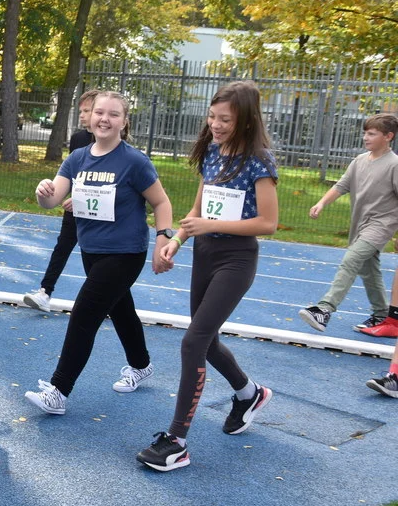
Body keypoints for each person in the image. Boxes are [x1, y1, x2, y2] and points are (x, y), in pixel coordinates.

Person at [136, 81, 278, 472]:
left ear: (246, 120)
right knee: (207, 340)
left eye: (225, 120)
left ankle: (177, 441)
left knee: (192, 342)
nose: (215, 125)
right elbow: (199, 207)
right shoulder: (213, 152)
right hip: (204, 254)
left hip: (236, 260)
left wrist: (211, 223)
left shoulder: (259, 161)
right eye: (212, 116)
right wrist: (177, 241)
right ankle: (249, 394)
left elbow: (269, 223)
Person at [24, 91, 173, 415]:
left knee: (85, 313)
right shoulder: (77, 158)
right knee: (121, 311)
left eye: (113, 114)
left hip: (125, 253)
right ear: (90, 118)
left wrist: (163, 237)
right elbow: (53, 200)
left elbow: (161, 202)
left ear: (124, 121)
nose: (104, 119)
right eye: (99, 113)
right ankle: (141, 364)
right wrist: (43, 194)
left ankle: (59, 391)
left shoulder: (134, 161)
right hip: (92, 251)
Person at [298, 113, 398, 333]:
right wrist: (321, 203)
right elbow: (342, 186)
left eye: (372, 133)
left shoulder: (394, 165)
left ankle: (324, 309)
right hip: (360, 225)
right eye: (365, 133)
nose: (366, 137)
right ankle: (382, 315)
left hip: (381, 225)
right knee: (369, 271)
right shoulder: (359, 161)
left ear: (388, 136)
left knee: (351, 260)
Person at [23, 89, 98, 310]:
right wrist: (62, 195)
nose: (82, 115)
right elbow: (76, 173)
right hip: (74, 209)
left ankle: (105, 298)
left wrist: (83, 199)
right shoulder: (78, 140)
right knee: (62, 247)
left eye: (87, 111)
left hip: (102, 214)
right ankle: (45, 292)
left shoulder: (117, 143)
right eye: (81, 111)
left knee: (94, 256)